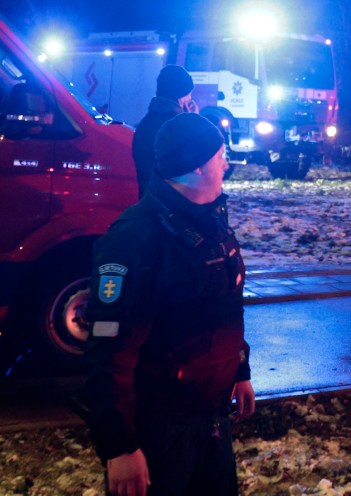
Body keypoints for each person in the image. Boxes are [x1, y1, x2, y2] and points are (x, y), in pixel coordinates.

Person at [73, 113, 254, 496]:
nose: (227, 162)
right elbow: (107, 351)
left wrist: (239, 368)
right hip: (157, 430)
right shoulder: (137, 238)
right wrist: (119, 446)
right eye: (221, 154)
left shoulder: (210, 222)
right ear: (199, 165)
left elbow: (226, 306)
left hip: (211, 419)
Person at [132, 65, 197, 199]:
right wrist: (193, 120)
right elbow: (196, 160)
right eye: (188, 93)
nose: (190, 98)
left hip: (148, 202)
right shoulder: (175, 126)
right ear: (180, 96)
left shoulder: (146, 122)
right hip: (171, 207)